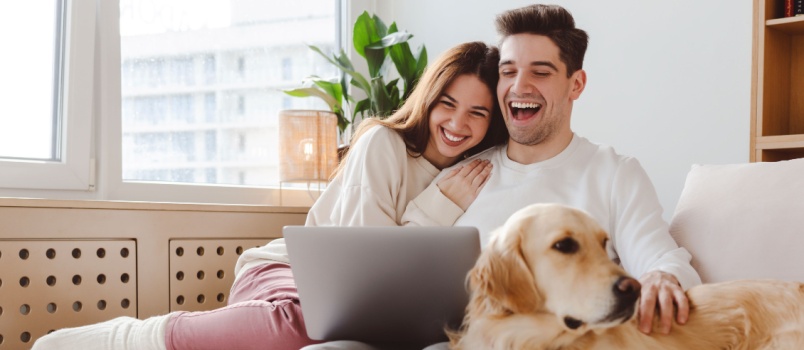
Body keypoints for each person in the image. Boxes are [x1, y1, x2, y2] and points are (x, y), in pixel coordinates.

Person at [31, 41, 507, 350]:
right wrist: (438, 206)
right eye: (448, 103)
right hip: (286, 273)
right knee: (301, 325)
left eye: (477, 113)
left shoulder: (479, 172)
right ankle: (134, 338)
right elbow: (371, 276)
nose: (457, 124)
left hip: (346, 295)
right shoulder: (383, 144)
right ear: (428, 99)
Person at [412, 3, 700, 338]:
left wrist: (663, 277)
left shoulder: (613, 174)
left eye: (541, 72)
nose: (519, 86)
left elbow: (664, 260)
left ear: (575, 84)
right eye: (508, 72)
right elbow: (404, 267)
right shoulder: (463, 176)